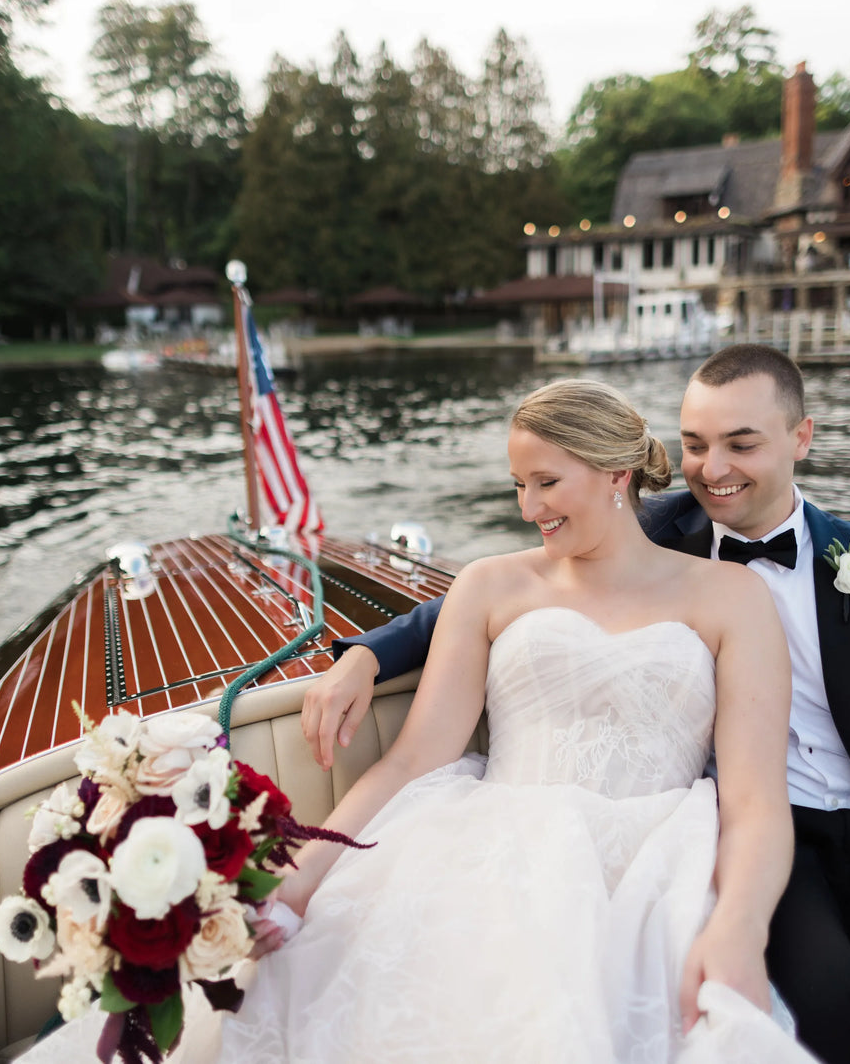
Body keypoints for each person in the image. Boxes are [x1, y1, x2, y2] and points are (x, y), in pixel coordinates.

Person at [307, 346, 850, 1064]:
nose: (713, 469)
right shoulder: (642, 525)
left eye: (741, 443)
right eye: (696, 444)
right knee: (815, 1009)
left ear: (801, 437)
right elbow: (491, 597)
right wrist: (366, 654)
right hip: (746, 832)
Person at [210, 379, 812, 1062]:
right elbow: (412, 760)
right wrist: (299, 876)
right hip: (487, 851)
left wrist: (741, 925)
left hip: (657, 864)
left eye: (546, 482)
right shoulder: (490, 584)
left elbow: (756, 800)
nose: (529, 508)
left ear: (616, 471)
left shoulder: (733, 595)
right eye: (518, 485)